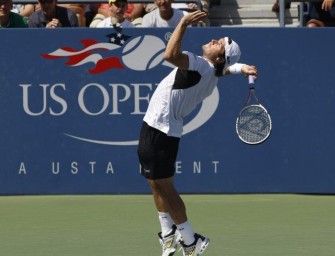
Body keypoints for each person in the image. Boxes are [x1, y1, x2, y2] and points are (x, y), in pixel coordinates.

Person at [137, 10, 258, 256]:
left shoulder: (202, 66)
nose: (214, 40)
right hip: (156, 127)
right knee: (154, 183)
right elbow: (224, 70)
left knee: (166, 188)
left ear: (220, 56)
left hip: (161, 131)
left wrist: (182, 23)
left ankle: (191, 241)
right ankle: (168, 236)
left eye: (220, 44)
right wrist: (241, 68)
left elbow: (170, 55)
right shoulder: (212, 72)